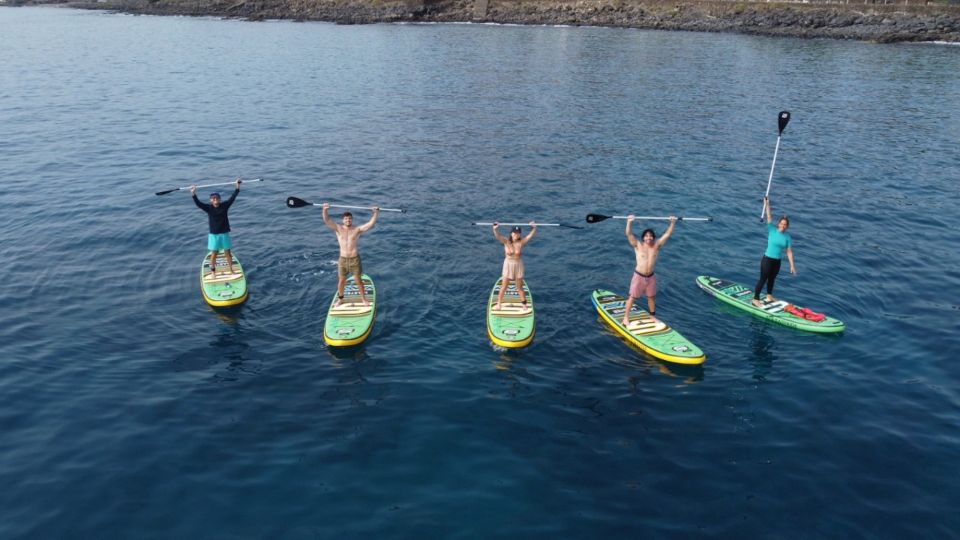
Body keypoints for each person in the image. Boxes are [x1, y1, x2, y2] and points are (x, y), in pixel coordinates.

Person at [622, 215, 677, 326]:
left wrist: (673, 223)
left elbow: (667, 234)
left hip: (650, 277)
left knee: (651, 297)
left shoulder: (657, 246)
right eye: (646, 236)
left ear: (653, 238)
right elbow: (628, 234)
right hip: (639, 276)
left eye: (651, 236)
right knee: (632, 297)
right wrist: (629, 222)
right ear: (643, 238)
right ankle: (626, 318)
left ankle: (652, 317)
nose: (649, 238)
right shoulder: (637, 245)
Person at [323, 203, 379, 306]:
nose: (348, 220)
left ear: (352, 220)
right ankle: (340, 299)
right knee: (341, 281)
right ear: (342, 220)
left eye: (349, 219)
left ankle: (363, 299)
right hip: (343, 260)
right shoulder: (338, 229)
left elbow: (371, 224)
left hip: (354, 260)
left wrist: (375, 213)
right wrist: (325, 210)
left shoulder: (357, 230)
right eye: (346, 219)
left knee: (358, 281)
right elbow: (327, 220)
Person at [192, 178, 241, 277]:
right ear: (211, 200)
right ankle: (213, 271)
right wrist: (193, 194)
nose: (215, 200)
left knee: (228, 253)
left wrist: (237, 187)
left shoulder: (224, 206)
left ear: (219, 199)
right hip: (214, 235)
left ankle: (231, 270)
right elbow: (198, 204)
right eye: (213, 198)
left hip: (224, 233)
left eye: (217, 198)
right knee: (214, 254)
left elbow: (232, 198)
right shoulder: (208, 208)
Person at [753, 196, 796, 307]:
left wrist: (792, 265)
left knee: (772, 279)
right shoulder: (772, 229)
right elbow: (769, 216)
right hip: (767, 259)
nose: (783, 225)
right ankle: (756, 299)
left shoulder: (787, 237)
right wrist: (767, 204)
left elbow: (789, 252)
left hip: (777, 261)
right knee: (763, 279)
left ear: (787, 226)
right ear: (778, 224)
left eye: (785, 224)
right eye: (781, 223)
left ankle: (769, 296)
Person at [492, 222, 537, 310]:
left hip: (518, 265)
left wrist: (534, 228)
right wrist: (495, 229)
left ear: (520, 234)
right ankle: (499, 304)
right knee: (504, 286)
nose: (516, 234)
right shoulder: (506, 241)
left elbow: (530, 236)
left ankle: (524, 304)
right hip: (508, 264)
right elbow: (498, 236)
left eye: (518, 233)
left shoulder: (521, 242)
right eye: (515, 232)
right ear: (511, 233)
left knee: (519, 287)